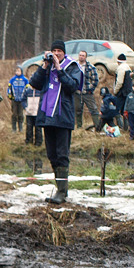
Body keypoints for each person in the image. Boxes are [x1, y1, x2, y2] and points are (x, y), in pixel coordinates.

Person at [28, 39, 83, 205]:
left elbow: (72, 86)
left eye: (59, 51)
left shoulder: (72, 67)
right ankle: (58, 188)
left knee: (62, 154)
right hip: (47, 117)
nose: (56, 53)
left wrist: (59, 69)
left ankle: (62, 191)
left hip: (63, 116)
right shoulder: (47, 67)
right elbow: (34, 83)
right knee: (52, 154)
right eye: (54, 51)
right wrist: (44, 66)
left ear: (64, 52)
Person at [74, 50, 100, 130]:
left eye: (83, 55)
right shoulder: (74, 66)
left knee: (93, 109)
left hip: (87, 92)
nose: (81, 57)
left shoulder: (90, 67)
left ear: (86, 57)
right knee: (77, 110)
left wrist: (90, 89)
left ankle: (98, 127)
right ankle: (79, 127)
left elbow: (95, 80)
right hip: (77, 92)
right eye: (80, 55)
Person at [113, 53, 132, 131]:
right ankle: (126, 127)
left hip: (122, 93)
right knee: (125, 110)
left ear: (118, 61)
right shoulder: (128, 67)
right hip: (127, 92)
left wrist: (115, 91)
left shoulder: (121, 68)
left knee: (117, 110)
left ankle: (120, 127)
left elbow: (119, 82)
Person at [7, 66, 28, 132]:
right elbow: (9, 88)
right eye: (16, 71)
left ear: (21, 71)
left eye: (19, 71)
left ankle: (20, 127)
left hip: (21, 100)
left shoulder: (25, 80)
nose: (17, 72)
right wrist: (9, 95)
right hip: (14, 99)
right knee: (14, 114)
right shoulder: (12, 80)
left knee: (20, 114)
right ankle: (14, 128)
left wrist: (25, 97)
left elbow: (27, 89)